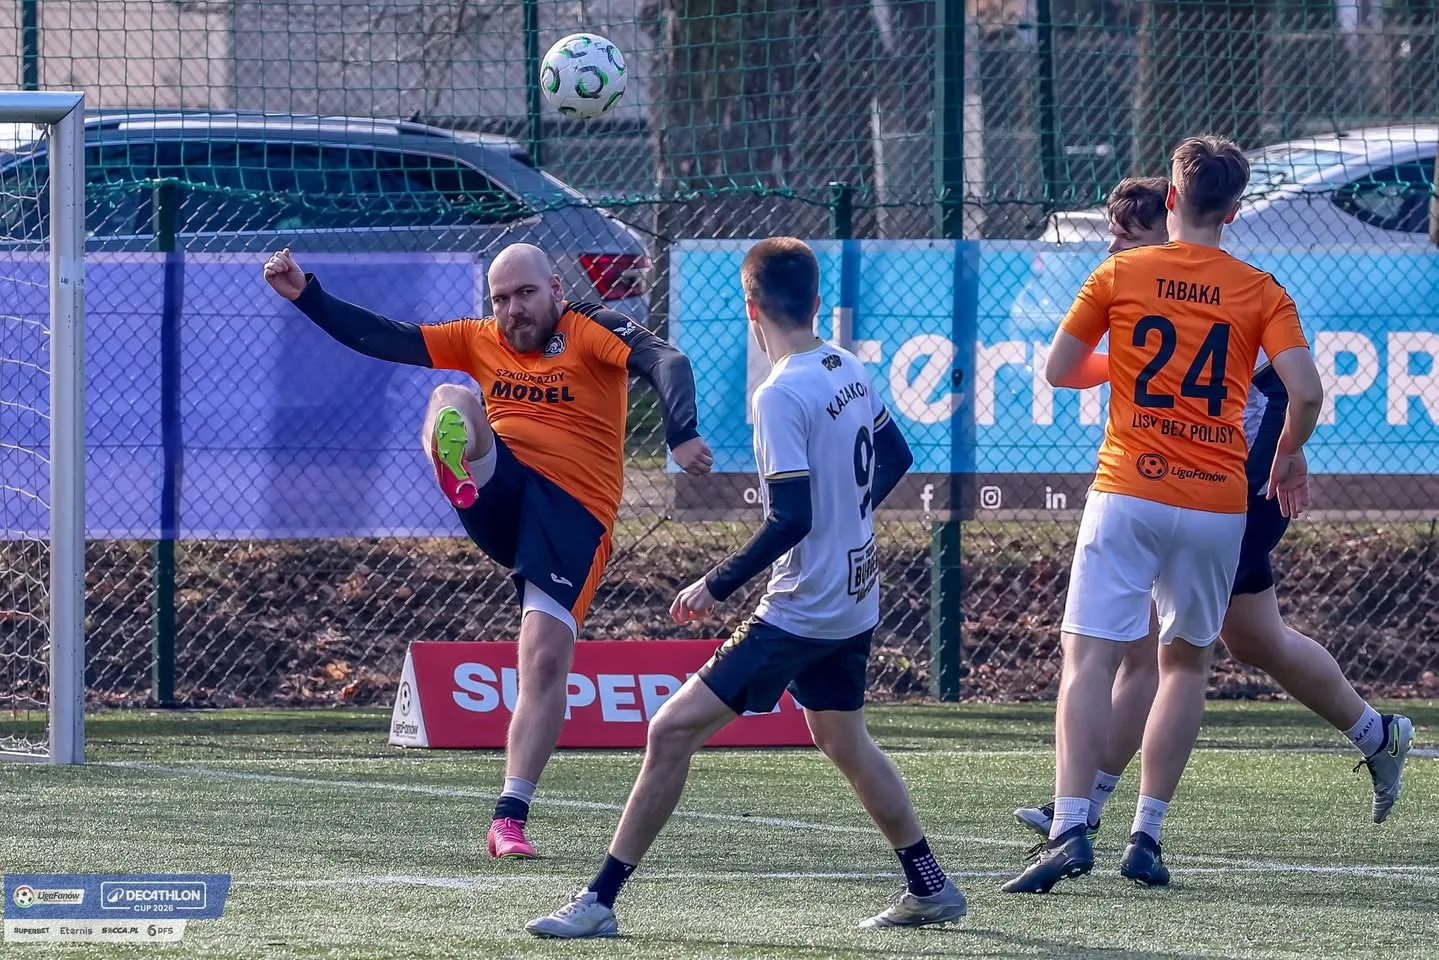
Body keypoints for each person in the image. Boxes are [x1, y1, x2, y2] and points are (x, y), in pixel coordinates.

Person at [525, 237, 967, 938]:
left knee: (669, 730)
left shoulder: (780, 393)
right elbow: (895, 455)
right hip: (855, 595)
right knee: (843, 738)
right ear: (816, 301)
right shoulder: (847, 366)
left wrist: (716, 582)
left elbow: (791, 518)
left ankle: (599, 901)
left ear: (750, 307)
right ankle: (929, 885)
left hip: (802, 608)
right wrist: (846, 522)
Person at [263, 243, 714, 860]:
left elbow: (667, 359)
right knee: (451, 398)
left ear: (556, 289)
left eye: (525, 293)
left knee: (544, 663)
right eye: (500, 299)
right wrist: (307, 296)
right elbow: (385, 337)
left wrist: (681, 431)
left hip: (570, 518)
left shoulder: (591, 328)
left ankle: (508, 820)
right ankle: (453, 462)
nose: (513, 310)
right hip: (500, 491)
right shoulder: (480, 338)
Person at [1012, 178, 1414, 857]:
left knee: (1156, 651)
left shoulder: (1202, 289)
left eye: (1125, 235)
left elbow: (1285, 394)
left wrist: (1285, 455)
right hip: (1195, 487)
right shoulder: (1171, 282)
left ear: (1165, 222)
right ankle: (1378, 734)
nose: (1113, 247)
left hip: (1237, 485)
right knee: (1251, 639)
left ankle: (1086, 807)